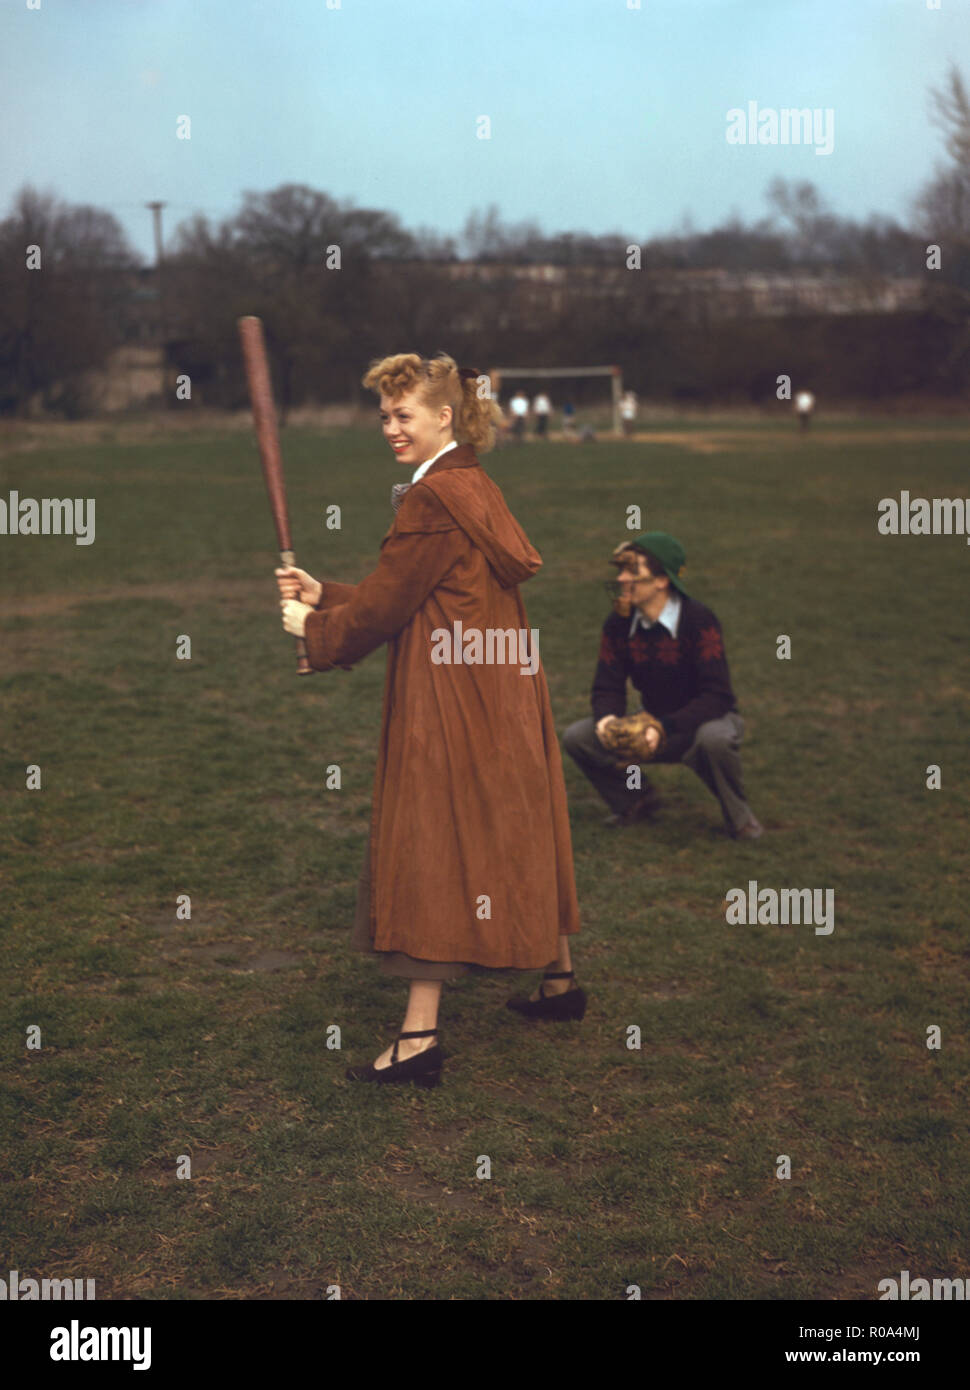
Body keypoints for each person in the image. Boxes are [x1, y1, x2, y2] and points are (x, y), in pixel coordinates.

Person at [276, 353, 584, 1088]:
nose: (390, 428)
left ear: (444, 417)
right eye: (384, 416)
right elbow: (413, 591)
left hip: (456, 701)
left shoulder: (432, 499)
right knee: (518, 820)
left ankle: (419, 1040)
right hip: (502, 690)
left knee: (435, 840)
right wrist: (325, 592)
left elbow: (385, 610)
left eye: (403, 415)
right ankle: (560, 983)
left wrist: (313, 630)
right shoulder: (470, 485)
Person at [562, 532, 763, 839]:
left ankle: (740, 819)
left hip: (704, 722)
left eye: (632, 571)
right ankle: (635, 800)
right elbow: (607, 686)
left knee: (715, 740)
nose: (622, 579)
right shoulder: (618, 624)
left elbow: (718, 696)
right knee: (579, 737)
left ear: (661, 580)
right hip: (650, 723)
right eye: (620, 570)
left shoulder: (699, 620)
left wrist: (664, 726)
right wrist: (607, 721)